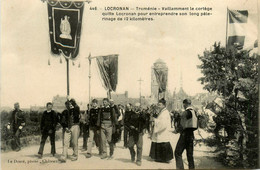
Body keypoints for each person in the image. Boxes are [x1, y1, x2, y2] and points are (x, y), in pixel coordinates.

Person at [175, 99, 198, 169]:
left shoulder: (185, 113)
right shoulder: (194, 112)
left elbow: (181, 125)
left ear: (184, 104)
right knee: (190, 155)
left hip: (184, 135)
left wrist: (176, 130)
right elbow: (196, 126)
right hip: (191, 135)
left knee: (177, 153)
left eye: (183, 104)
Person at [149, 98, 173, 163]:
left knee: (163, 143)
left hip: (163, 131)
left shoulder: (165, 113)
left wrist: (155, 120)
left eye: (160, 105)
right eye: (158, 105)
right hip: (161, 131)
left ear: (163, 105)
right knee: (160, 143)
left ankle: (164, 158)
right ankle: (160, 158)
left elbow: (163, 123)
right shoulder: (162, 112)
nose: (158, 106)